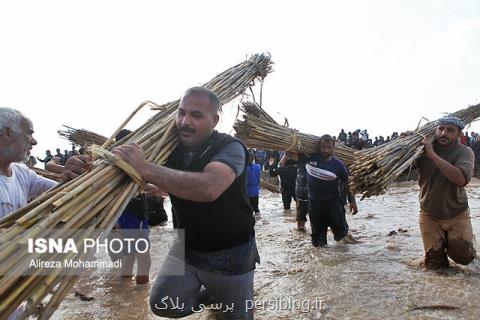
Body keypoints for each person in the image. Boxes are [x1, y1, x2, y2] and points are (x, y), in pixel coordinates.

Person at [112, 87, 259, 319]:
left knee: (236, 316)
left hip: (231, 252)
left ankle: (226, 298)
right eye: (181, 113)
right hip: (187, 248)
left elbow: (209, 187)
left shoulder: (230, 147)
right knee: (163, 303)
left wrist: (146, 168)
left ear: (215, 120)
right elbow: (161, 174)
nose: (185, 121)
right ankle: (211, 296)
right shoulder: (169, 148)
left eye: (196, 115)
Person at [414, 116, 477, 269]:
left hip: (456, 212)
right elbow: (401, 172)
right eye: (441, 129)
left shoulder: (464, 152)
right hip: (429, 213)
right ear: (435, 130)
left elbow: (461, 179)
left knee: (464, 258)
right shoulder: (421, 150)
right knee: (435, 264)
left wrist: (432, 156)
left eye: (450, 130)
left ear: (458, 135)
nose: (443, 133)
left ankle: (463, 244)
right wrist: (404, 145)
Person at [290, 135, 357, 247]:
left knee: (341, 236)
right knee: (318, 242)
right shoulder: (309, 158)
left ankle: (344, 261)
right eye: (323, 147)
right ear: (318, 146)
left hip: (334, 204)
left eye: (328, 147)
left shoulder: (338, 165)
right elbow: (288, 153)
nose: (325, 150)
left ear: (333, 148)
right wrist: (292, 140)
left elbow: (347, 183)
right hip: (314, 205)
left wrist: (352, 201)